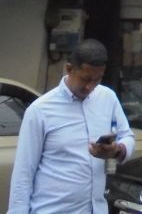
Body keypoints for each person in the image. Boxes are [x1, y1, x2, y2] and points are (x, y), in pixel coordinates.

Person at [8, 38, 135, 214]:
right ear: (69, 69)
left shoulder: (108, 98)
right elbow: (23, 173)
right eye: (85, 79)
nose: (90, 86)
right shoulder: (40, 110)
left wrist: (116, 151)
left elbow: (127, 136)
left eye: (97, 79)